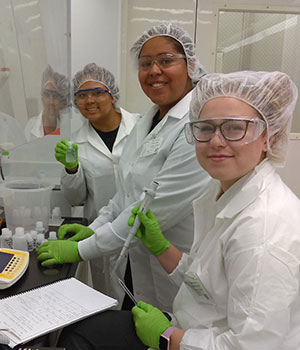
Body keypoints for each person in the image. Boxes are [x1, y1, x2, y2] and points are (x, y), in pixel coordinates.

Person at [57, 70, 300, 350]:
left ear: (269, 136)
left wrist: (167, 339)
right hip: (192, 325)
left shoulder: (263, 232)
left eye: (235, 128)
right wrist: (161, 248)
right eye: (206, 128)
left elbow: (252, 346)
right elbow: (208, 279)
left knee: (81, 337)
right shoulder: (222, 192)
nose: (217, 141)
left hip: (198, 339)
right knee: (82, 330)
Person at [37, 23, 210, 311]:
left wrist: (80, 249)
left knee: (173, 327)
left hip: (175, 263)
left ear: (190, 65)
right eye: (145, 63)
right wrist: (92, 229)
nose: (154, 70)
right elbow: (124, 195)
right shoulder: (148, 122)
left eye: (166, 60)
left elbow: (145, 209)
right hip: (130, 254)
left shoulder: (197, 126)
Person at [54, 63, 137, 301]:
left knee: (148, 300)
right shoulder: (76, 142)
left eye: (97, 92)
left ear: (112, 96)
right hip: (102, 233)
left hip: (142, 233)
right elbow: (75, 198)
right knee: (112, 303)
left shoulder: (141, 128)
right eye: (81, 95)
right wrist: (72, 168)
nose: (89, 100)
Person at [24, 65, 71, 141]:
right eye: (47, 94)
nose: (51, 102)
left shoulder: (68, 128)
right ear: (42, 97)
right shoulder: (30, 127)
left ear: (62, 100)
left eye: (55, 96)